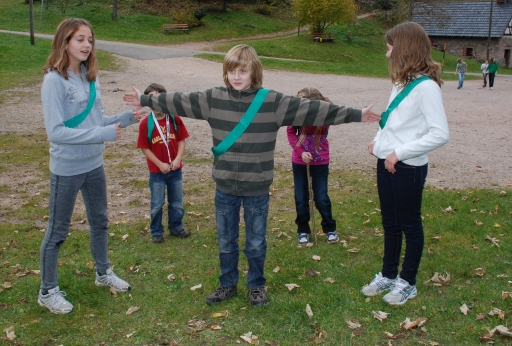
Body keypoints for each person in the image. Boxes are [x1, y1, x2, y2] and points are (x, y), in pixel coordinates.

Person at [124, 44, 381, 307]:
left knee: (256, 243)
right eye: (232, 70)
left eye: (243, 70)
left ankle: (256, 285)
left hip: (257, 187)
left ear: (254, 71)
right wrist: (145, 100)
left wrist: (358, 114)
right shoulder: (213, 99)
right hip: (224, 187)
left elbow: (314, 109)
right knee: (226, 241)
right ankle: (227, 284)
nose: (237, 76)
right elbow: (179, 100)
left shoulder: (273, 102)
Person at [39, 18, 141, 314]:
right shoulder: (53, 81)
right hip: (67, 168)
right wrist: (102, 134)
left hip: (93, 165)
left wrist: (129, 117)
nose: (87, 45)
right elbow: (56, 132)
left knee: (100, 221)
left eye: (90, 40)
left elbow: (99, 123)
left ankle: (103, 273)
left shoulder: (89, 76)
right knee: (58, 231)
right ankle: (47, 291)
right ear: (64, 42)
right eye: (80, 39)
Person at [362, 22, 449, 306]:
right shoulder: (401, 82)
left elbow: (440, 133)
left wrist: (399, 153)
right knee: (390, 223)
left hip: (408, 168)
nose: (387, 55)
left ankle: (407, 282)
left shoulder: (427, 88)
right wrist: (378, 140)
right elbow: (392, 120)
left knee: (409, 224)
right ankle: (388, 275)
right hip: (385, 162)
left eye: (390, 49)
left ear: (404, 49)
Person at [136, 83, 191, 243]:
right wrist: (159, 164)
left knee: (176, 202)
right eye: (151, 99)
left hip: (175, 170)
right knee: (157, 203)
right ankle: (156, 231)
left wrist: (177, 159)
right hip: (157, 172)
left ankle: (176, 226)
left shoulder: (175, 118)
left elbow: (181, 140)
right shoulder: (146, 123)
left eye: (160, 99)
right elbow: (144, 148)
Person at [287, 87, 339, 246]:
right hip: (300, 161)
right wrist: (301, 151)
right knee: (301, 198)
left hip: (320, 161)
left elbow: (320, 129)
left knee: (321, 197)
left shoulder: (326, 115)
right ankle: (303, 229)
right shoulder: (295, 115)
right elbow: (291, 133)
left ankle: (329, 228)